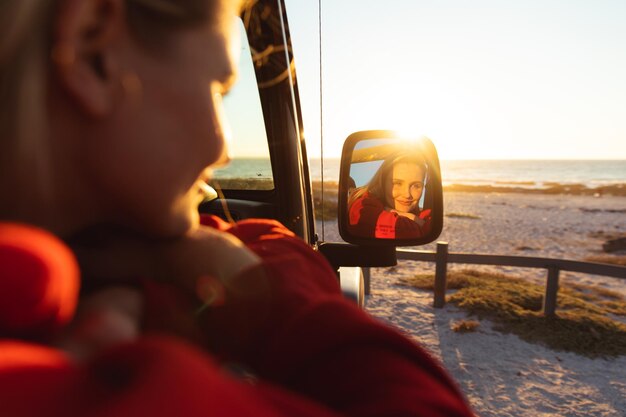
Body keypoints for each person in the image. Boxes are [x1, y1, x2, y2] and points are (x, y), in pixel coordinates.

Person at [0, 0, 475, 416]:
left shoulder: (44, 294)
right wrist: (265, 288)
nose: (223, 151)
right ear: (92, 49)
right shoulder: (120, 387)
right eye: (217, 89)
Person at [348, 152, 432, 239]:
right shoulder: (363, 205)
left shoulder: (418, 212)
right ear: (382, 182)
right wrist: (416, 221)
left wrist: (401, 214)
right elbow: (406, 232)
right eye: (397, 183)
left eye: (416, 186)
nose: (407, 194)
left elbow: (431, 221)